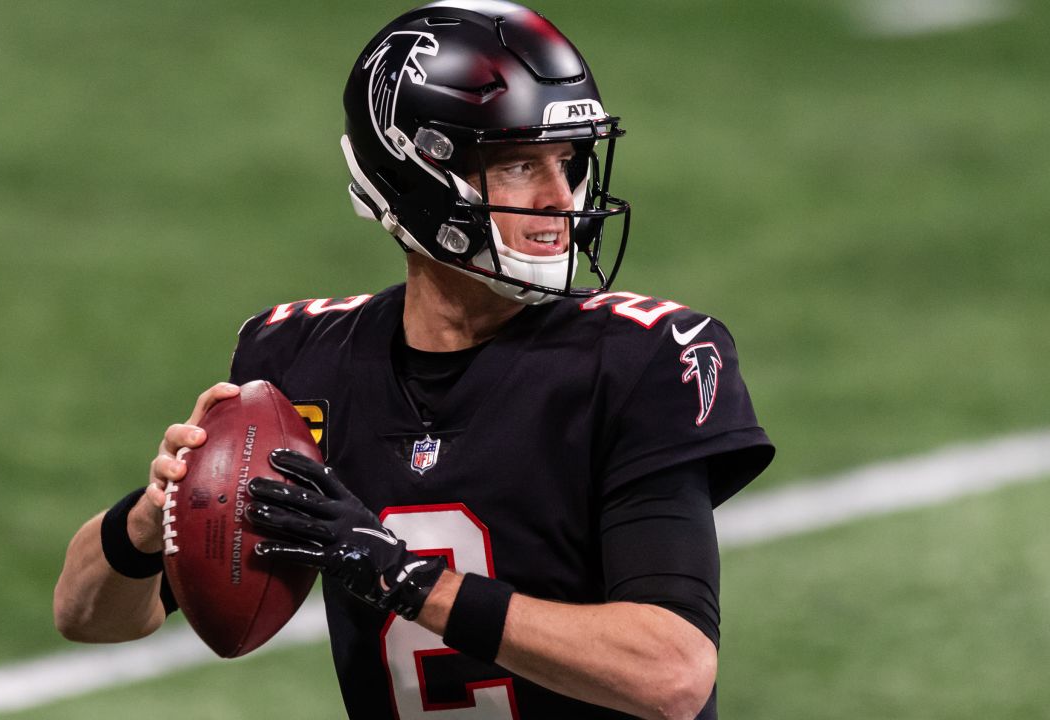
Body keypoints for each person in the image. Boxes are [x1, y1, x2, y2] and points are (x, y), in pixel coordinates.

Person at [53, 1, 774, 718]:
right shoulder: (300, 367)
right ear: (417, 173)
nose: (563, 200)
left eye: (572, 161)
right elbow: (88, 615)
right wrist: (157, 515)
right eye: (521, 165)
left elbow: (671, 673)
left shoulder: (641, 360)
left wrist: (400, 576)